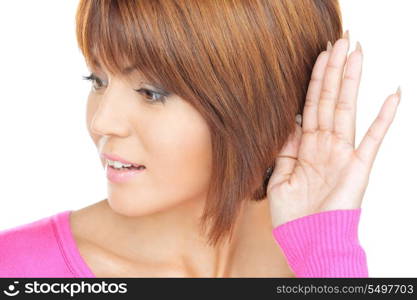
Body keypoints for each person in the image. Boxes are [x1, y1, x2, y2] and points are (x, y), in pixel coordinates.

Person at [0, 0, 400, 278]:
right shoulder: (17, 269)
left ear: (261, 104)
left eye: (151, 92)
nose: (103, 122)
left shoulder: (323, 266)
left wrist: (327, 254)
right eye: (98, 81)